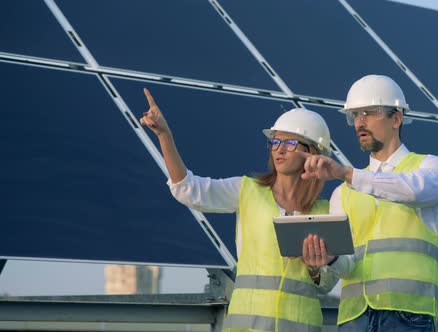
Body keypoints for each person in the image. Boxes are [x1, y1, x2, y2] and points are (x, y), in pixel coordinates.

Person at [139, 88, 338, 332]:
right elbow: (188, 189)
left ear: (312, 152)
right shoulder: (246, 190)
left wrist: (315, 266)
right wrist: (164, 136)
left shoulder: (327, 211)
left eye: (289, 142)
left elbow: (327, 284)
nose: (279, 149)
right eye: (275, 141)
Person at [295, 75, 438, 331]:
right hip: (353, 318)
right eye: (355, 115)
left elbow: (411, 191)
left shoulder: (433, 168)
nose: (360, 122)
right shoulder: (343, 193)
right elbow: (346, 266)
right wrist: (328, 260)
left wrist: (347, 174)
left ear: (396, 118)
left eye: (368, 113)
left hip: (408, 316)